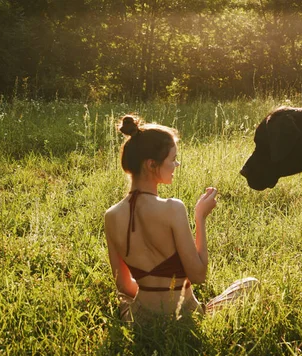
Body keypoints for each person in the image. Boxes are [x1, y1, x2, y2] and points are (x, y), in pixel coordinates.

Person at [104, 115, 257, 323]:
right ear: (151, 164)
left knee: (122, 299)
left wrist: (150, 296)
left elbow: (122, 284)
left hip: (139, 319)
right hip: (185, 317)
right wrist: (200, 217)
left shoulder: (111, 215)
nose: (177, 164)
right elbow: (198, 275)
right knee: (250, 283)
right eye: (172, 159)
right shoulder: (173, 208)